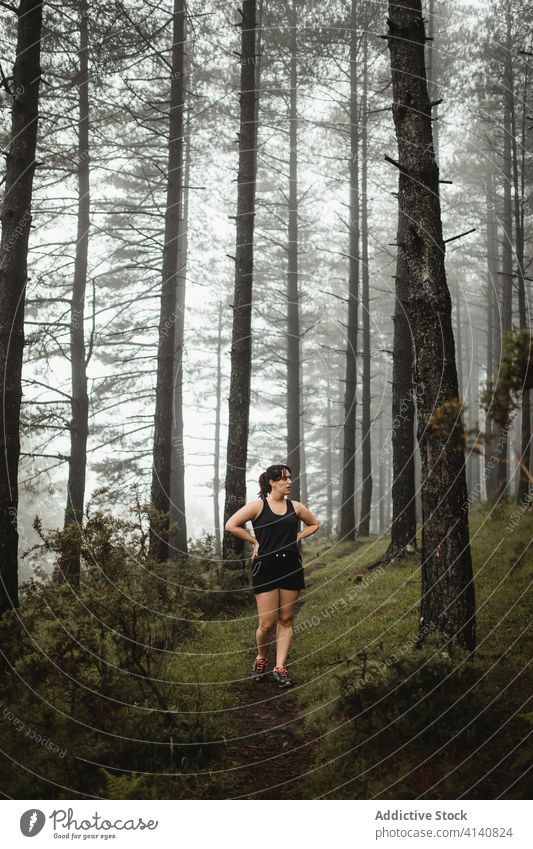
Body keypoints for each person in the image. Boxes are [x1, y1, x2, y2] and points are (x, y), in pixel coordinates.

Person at [224, 464, 320, 687]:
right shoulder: (258, 506)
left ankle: (280, 667)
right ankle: (261, 658)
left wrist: (298, 536)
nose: (289, 482)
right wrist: (255, 541)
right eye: (285, 479)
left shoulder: (295, 507)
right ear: (272, 482)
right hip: (265, 567)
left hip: (291, 566)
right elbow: (231, 525)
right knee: (267, 623)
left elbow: (314, 524)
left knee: (286, 619)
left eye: (290, 478)